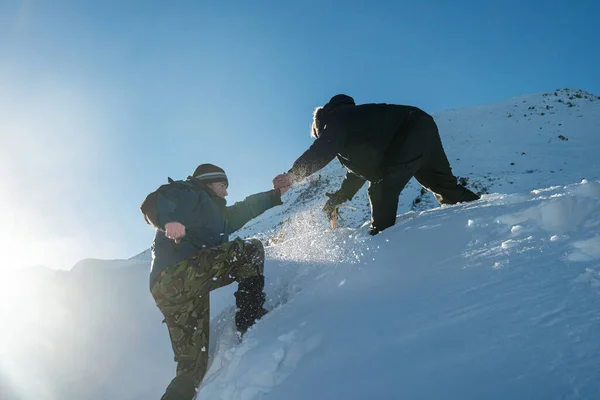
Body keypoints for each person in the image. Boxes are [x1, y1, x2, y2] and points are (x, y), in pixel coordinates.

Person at [145, 163, 290, 400]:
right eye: (223, 186)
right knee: (251, 249)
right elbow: (154, 201)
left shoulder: (219, 216)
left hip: (173, 291)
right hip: (177, 274)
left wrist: (275, 194)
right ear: (210, 182)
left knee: (191, 370)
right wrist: (169, 221)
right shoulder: (189, 191)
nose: (226, 192)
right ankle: (249, 316)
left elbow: (246, 209)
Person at [274, 94, 480, 235]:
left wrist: (293, 175)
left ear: (319, 126)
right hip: (421, 124)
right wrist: (338, 198)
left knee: (381, 188)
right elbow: (357, 175)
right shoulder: (359, 123)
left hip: (408, 132)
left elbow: (322, 149)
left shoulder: (336, 119)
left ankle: (382, 242)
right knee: (443, 186)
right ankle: (485, 213)